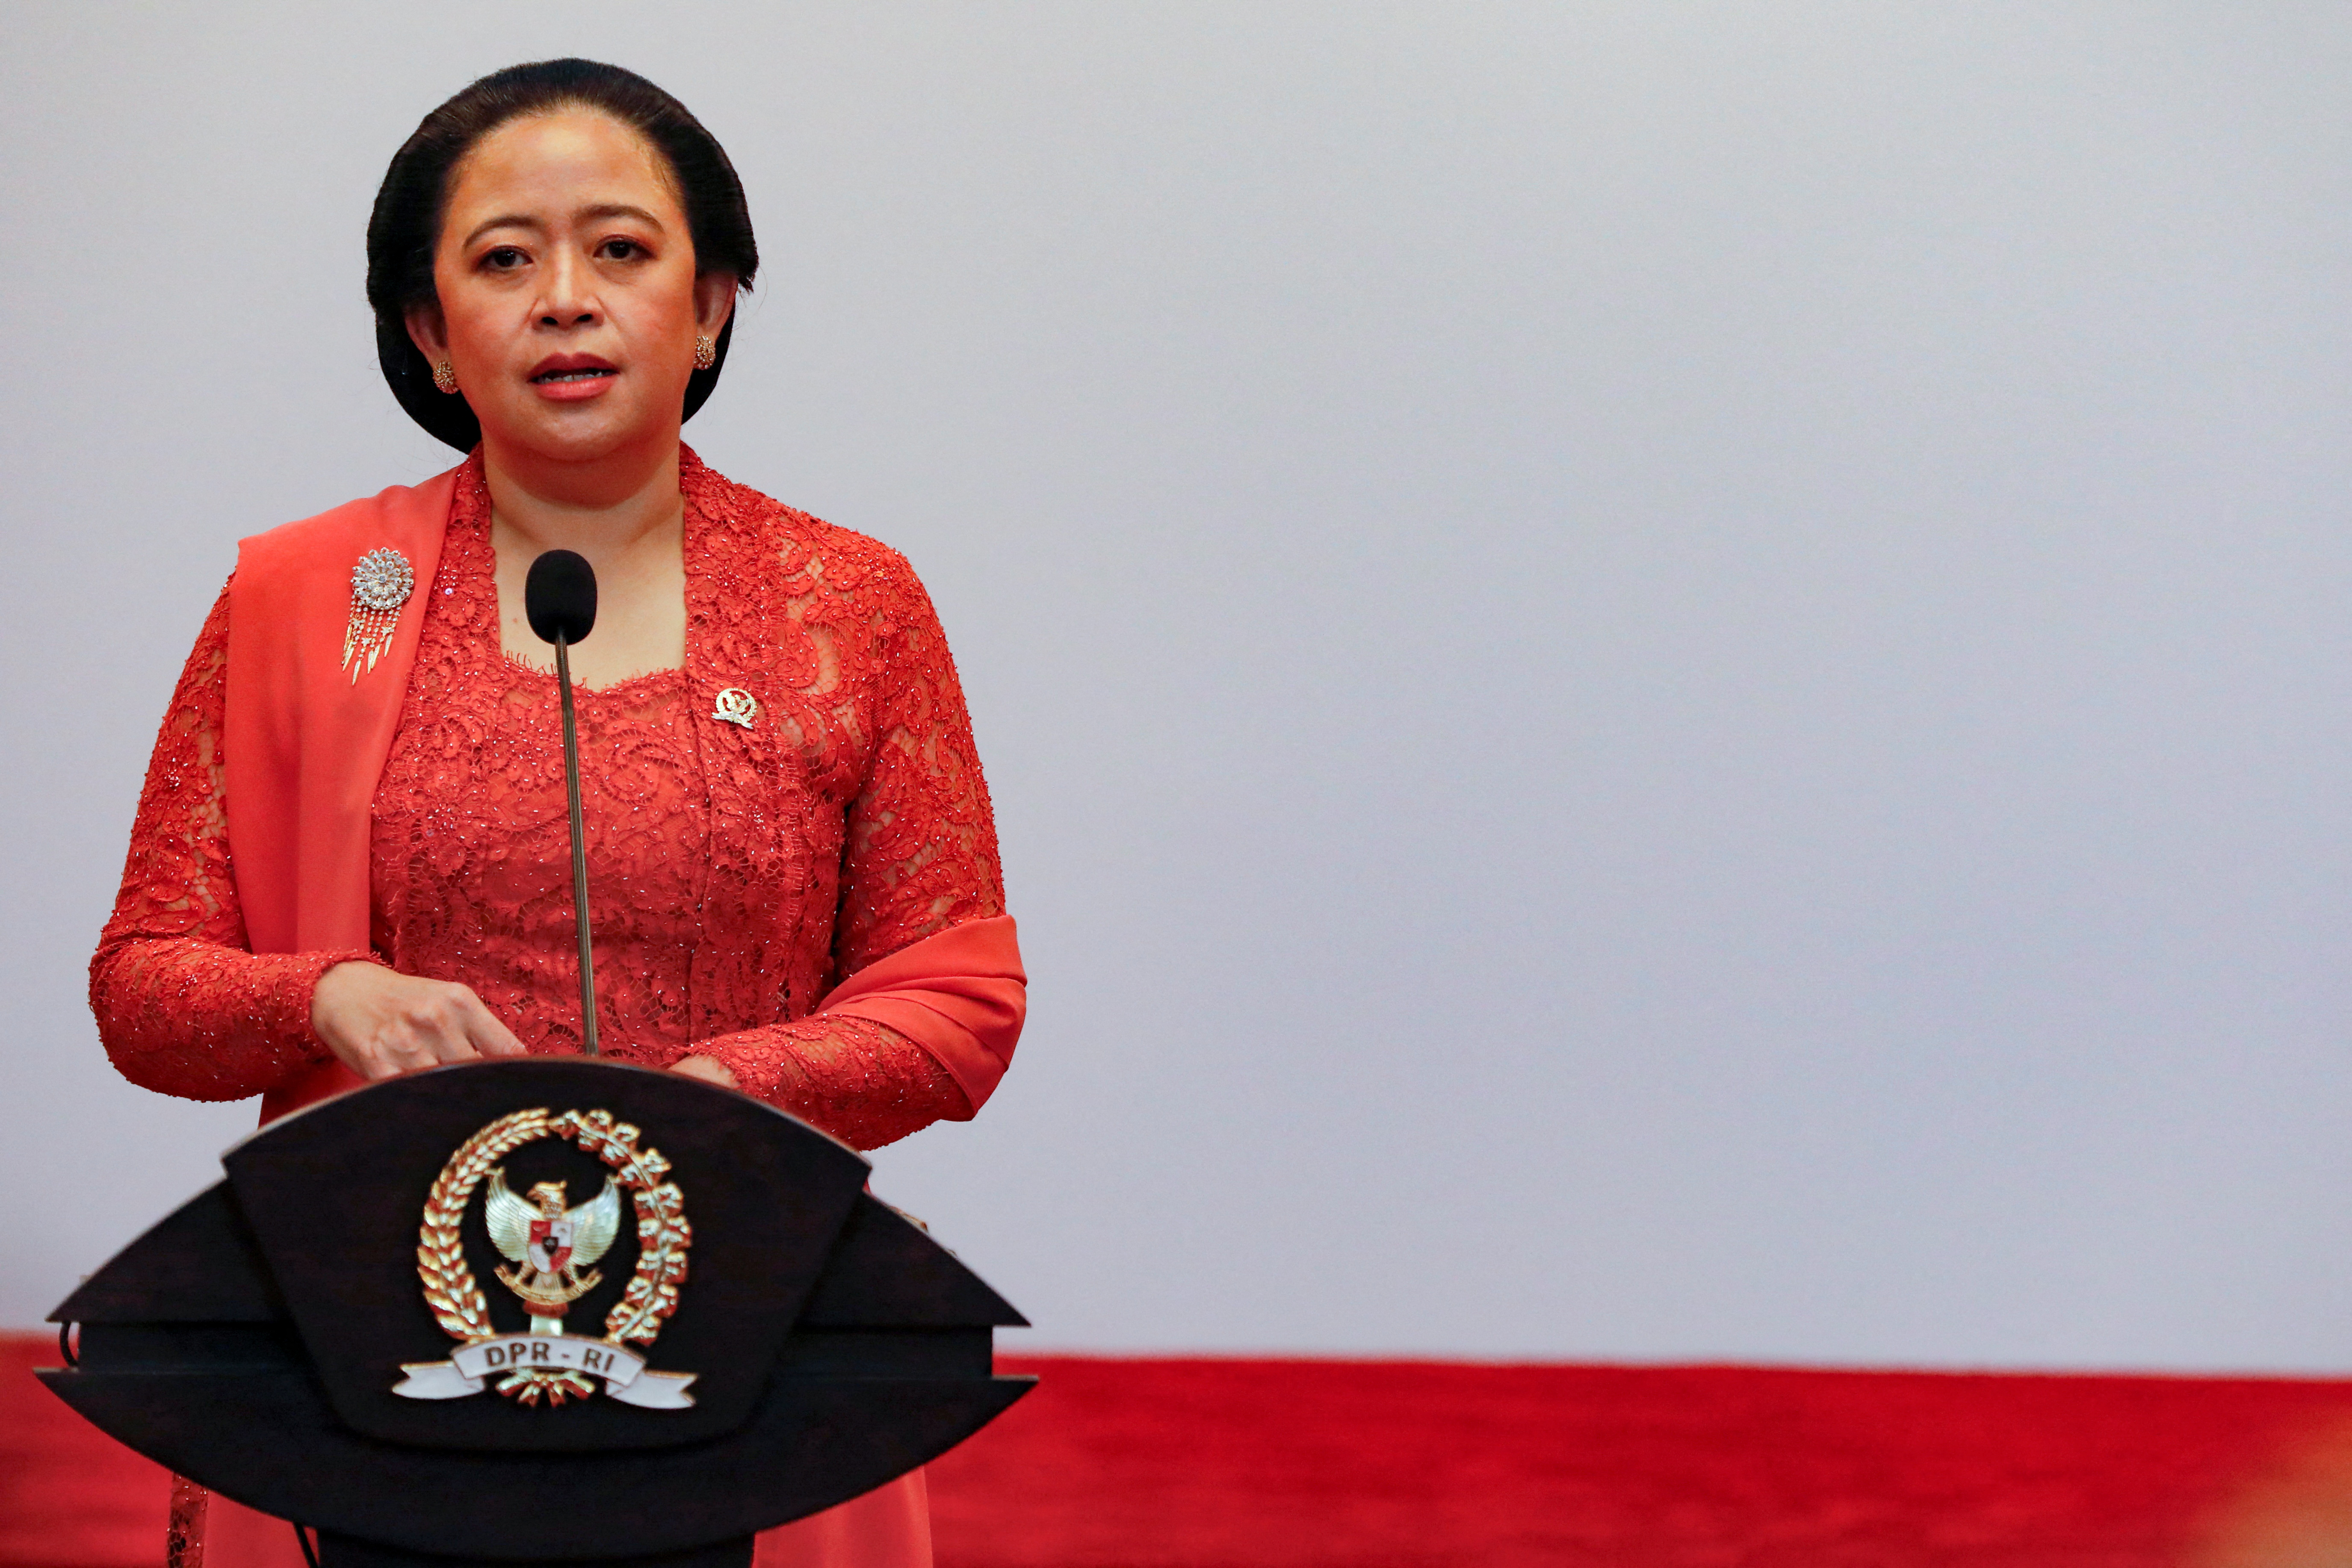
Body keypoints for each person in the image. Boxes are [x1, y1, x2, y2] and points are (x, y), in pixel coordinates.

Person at [88, 58, 1025, 1568]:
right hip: (367, 1352)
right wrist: (329, 997)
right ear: (430, 333)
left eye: (622, 250)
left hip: (733, 1338)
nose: (566, 301)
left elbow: (957, 999)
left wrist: (728, 1093)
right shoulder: (303, 602)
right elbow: (144, 992)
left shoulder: (851, 603)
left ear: (710, 304)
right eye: (505, 260)